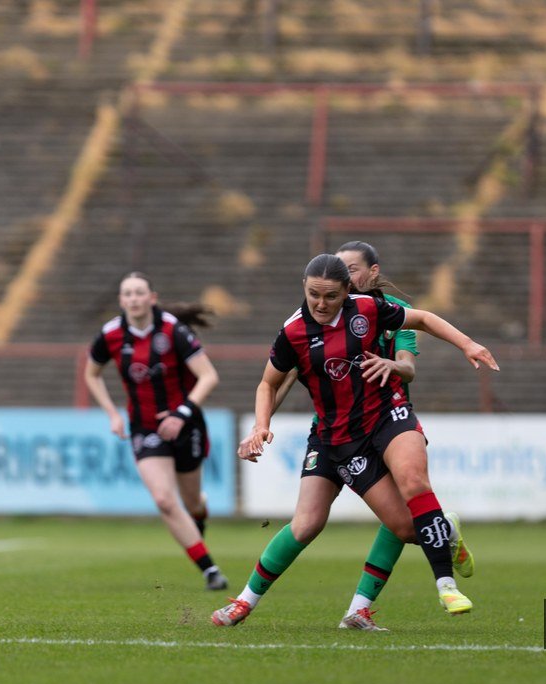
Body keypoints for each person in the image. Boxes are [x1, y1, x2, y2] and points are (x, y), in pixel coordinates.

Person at [213, 253, 498, 627]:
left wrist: (467, 344)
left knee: (413, 482)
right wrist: (260, 426)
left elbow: (424, 320)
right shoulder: (294, 332)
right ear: (304, 287)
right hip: (334, 437)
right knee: (311, 525)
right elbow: (269, 383)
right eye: (314, 293)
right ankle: (243, 603)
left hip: (385, 418)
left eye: (330, 296)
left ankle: (444, 585)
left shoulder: (369, 309)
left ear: (347, 291)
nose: (320, 302)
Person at [85, 272, 228, 590]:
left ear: (152, 297)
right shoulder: (110, 334)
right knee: (164, 499)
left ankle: (197, 515)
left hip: (186, 424)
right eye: (127, 294)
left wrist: (181, 412)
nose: (133, 298)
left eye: (139, 293)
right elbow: (92, 374)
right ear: (122, 301)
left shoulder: (173, 330)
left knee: (192, 504)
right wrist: (112, 413)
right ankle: (210, 570)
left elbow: (208, 376)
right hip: (144, 427)